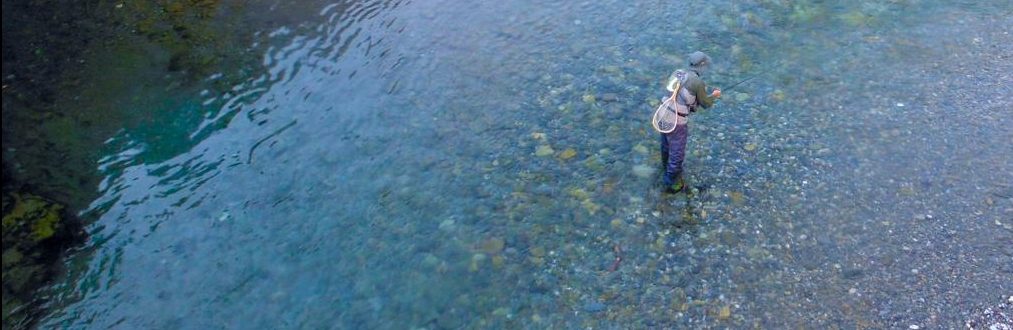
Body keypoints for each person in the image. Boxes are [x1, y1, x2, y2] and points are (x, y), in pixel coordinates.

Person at [660, 51, 721, 193]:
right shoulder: (697, 82)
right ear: (702, 65)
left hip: (662, 114)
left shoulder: (678, 72)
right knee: (677, 152)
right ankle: (671, 183)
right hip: (677, 122)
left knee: (666, 145)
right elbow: (705, 104)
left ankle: (665, 167)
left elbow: (674, 93)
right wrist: (714, 96)